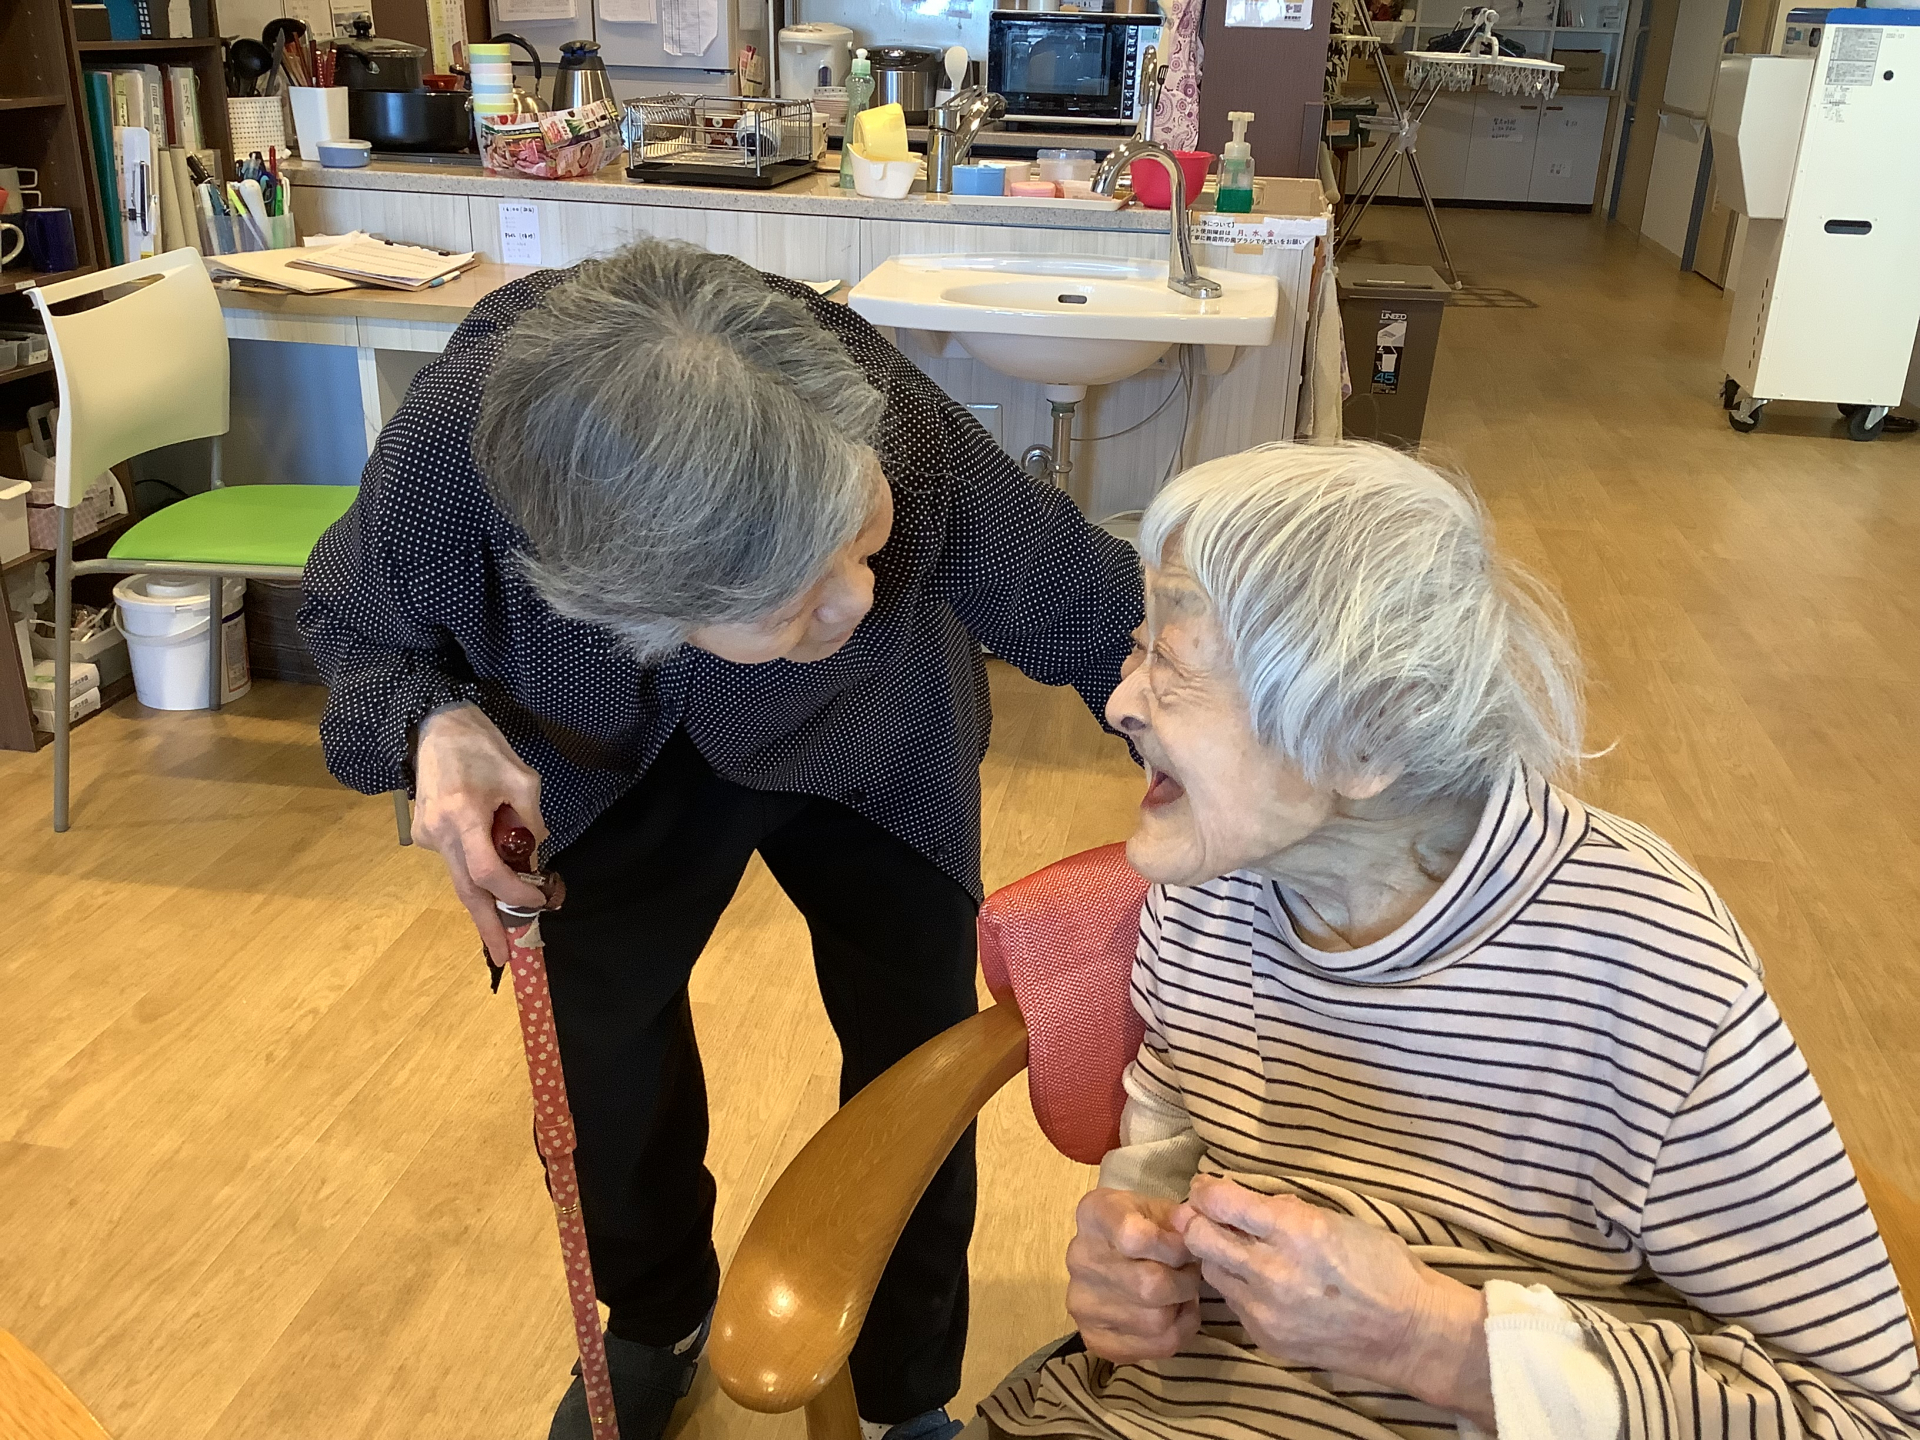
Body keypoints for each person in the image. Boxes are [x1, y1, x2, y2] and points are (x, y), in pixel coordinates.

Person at [299, 237, 1142, 1440]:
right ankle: (660, 1319)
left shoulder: (847, 393)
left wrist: (1236, 773)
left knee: (915, 1051)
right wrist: (430, 722)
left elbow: (1094, 609)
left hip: (873, 730)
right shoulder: (448, 466)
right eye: (798, 596)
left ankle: (903, 1390)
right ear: (627, 611)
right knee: (603, 1069)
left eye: (863, 533)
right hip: (592, 760)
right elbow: (354, 624)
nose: (858, 594)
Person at [979, 442, 1920, 1440]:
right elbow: (1172, 1122)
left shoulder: (1649, 967)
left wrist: (1430, 1341)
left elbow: (1866, 1417)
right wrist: (1132, 1245)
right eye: (1139, 648)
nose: (1121, 700)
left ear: (1369, 732)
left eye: (1173, 663)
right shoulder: (1209, 883)